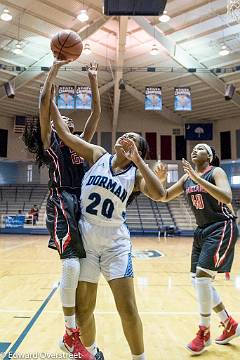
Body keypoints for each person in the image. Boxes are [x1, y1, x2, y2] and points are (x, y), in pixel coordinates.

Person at [50, 96, 166, 360]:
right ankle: (91, 353)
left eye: (132, 139)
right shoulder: (97, 155)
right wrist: (49, 96)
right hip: (87, 240)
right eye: (124, 135)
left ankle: (140, 358)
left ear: (136, 150)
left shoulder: (135, 176)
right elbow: (66, 135)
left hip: (115, 245)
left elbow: (159, 194)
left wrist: (139, 161)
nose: (125, 138)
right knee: (83, 310)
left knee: (127, 308)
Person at [23, 59, 102, 360]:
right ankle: (71, 335)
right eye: (62, 117)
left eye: (69, 118)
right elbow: (46, 101)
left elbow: (96, 113)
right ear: (56, 125)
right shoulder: (50, 141)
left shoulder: (81, 143)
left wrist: (93, 79)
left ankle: (71, 335)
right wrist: (53, 70)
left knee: (80, 271)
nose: (67, 118)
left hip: (83, 206)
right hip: (61, 202)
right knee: (69, 265)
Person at [155, 144, 239, 355]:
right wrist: (161, 179)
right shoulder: (186, 178)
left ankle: (204, 331)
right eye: (194, 148)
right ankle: (228, 323)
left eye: (201, 148)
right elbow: (163, 196)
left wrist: (197, 177)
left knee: (202, 279)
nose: (195, 150)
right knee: (197, 281)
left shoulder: (215, 172)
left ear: (209, 156)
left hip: (221, 226)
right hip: (201, 230)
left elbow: (227, 197)